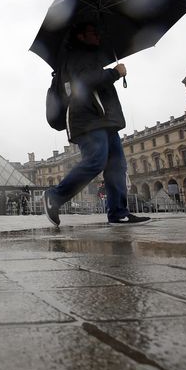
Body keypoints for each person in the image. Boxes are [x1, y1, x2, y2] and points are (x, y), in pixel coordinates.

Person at [42, 22, 151, 227]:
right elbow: (83, 81)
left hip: (103, 119)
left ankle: (118, 212)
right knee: (96, 161)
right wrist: (115, 73)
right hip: (87, 119)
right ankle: (54, 196)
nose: (99, 35)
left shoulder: (89, 56)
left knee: (117, 165)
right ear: (81, 36)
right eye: (94, 32)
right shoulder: (74, 57)